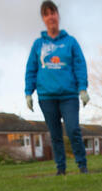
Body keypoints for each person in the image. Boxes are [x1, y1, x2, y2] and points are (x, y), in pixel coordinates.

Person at [25, 1, 90, 176]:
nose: (50, 16)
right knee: (55, 135)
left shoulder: (70, 42)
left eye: (53, 12)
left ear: (58, 15)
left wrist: (82, 88)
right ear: (43, 18)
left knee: (73, 130)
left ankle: (82, 165)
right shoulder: (38, 45)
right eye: (46, 14)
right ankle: (61, 169)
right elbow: (31, 69)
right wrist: (28, 93)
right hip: (47, 97)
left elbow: (80, 65)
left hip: (68, 95)